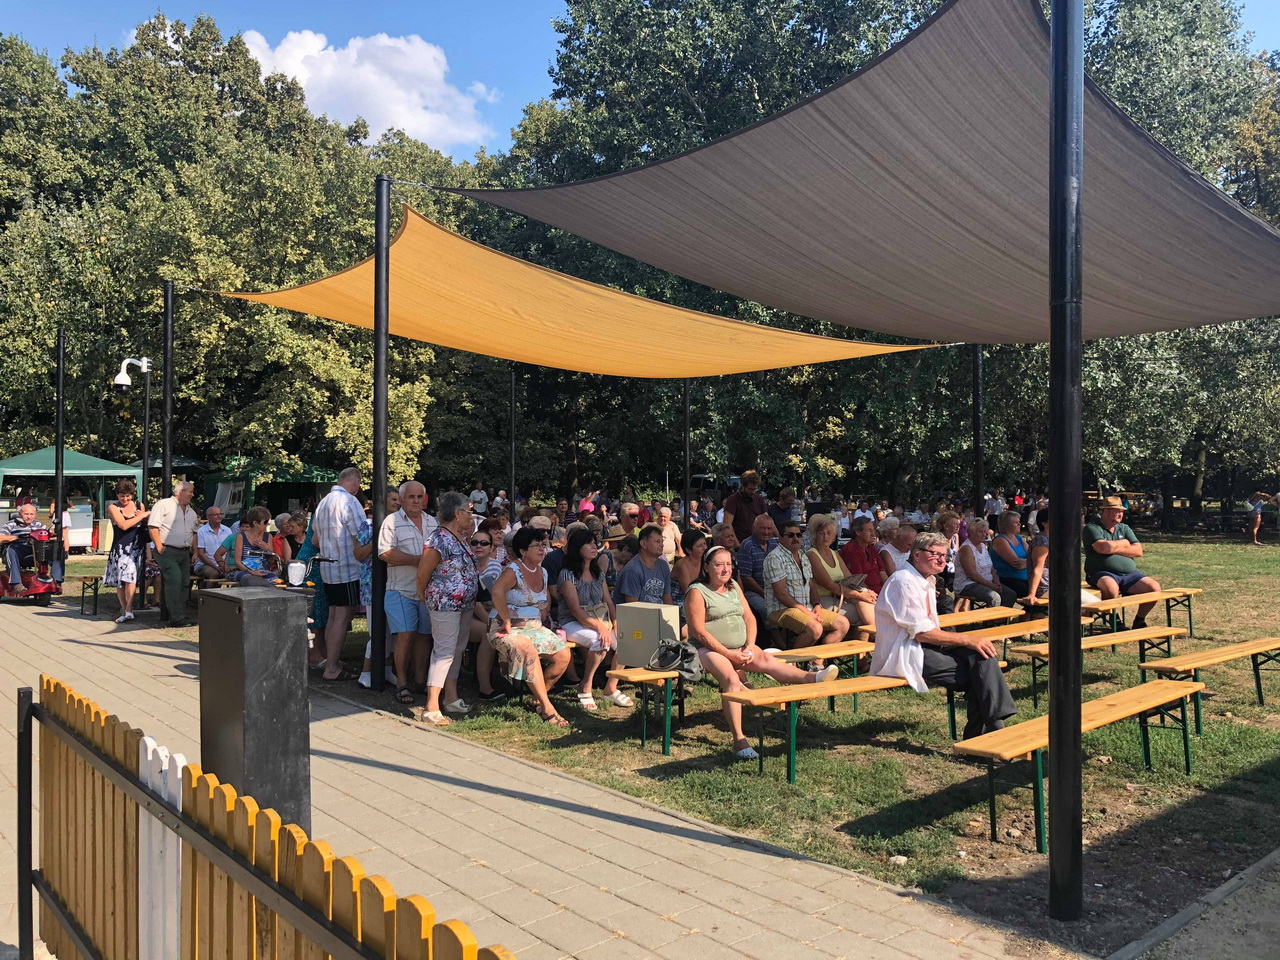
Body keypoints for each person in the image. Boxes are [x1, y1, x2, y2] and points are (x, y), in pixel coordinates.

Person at [689, 546, 836, 759]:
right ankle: (739, 740)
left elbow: (749, 617)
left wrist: (750, 645)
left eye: (728, 564)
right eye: (719, 565)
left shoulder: (733, 587)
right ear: (706, 567)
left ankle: (813, 677)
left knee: (767, 659)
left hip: (740, 647)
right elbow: (698, 632)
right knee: (731, 679)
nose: (725, 569)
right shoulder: (697, 591)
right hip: (708, 649)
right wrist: (729, 654)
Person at [872, 532, 1017, 739]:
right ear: (916, 554)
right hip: (905, 650)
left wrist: (971, 642)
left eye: (945, 555)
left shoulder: (926, 579)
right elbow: (922, 634)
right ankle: (992, 734)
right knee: (980, 678)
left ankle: (991, 732)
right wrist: (967, 639)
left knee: (983, 656)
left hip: (926, 643)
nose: (942, 560)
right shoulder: (903, 581)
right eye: (936, 554)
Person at [489, 525, 572, 725]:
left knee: (563, 655)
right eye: (536, 546)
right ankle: (547, 708)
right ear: (523, 551)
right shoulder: (514, 570)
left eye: (543, 545)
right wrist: (506, 620)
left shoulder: (543, 571)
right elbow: (497, 592)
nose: (542, 549)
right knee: (528, 650)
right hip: (506, 627)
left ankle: (536, 698)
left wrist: (544, 609)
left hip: (534, 627)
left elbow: (545, 599)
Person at [415, 491, 478, 724]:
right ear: (457, 513)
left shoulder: (459, 536)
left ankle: (451, 697)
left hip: (463, 603)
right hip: (445, 603)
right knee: (444, 652)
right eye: (469, 512)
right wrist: (422, 594)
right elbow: (423, 573)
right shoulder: (439, 538)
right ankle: (431, 706)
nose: (471, 516)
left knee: (457, 650)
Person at [558, 527, 632, 710]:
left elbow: (608, 602)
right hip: (571, 622)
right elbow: (575, 610)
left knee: (626, 642)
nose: (594, 546)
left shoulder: (598, 572)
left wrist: (616, 624)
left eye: (594, 543)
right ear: (577, 548)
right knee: (600, 641)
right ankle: (586, 685)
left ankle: (611, 687)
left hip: (600, 619)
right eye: (588, 543)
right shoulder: (567, 574)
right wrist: (600, 628)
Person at [379, 481, 437, 704]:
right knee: (405, 636)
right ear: (402, 500)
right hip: (400, 589)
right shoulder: (391, 521)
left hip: (427, 591)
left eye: (419, 497)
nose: (415, 501)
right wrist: (418, 561)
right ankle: (401, 683)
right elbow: (384, 553)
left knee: (424, 636)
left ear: (425, 499)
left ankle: (420, 681)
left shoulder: (432, 522)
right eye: (411, 497)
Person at [312, 467, 366, 682]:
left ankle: (331, 660)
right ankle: (332, 667)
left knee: (334, 615)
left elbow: (315, 539)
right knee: (342, 617)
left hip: (328, 567)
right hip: (347, 567)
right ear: (355, 482)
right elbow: (361, 536)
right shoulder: (350, 502)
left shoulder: (323, 502)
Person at [764, 519, 850, 654]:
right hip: (781, 609)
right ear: (780, 538)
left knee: (842, 624)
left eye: (798, 535)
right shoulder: (774, 558)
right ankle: (791, 662)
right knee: (815, 629)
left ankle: (818, 662)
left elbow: (811, 585)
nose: (795, 538)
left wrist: (817, 605)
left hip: (806, 607)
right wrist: (806, 612)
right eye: (790, 535)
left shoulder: (802, 556)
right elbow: (781, 594)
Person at [1084, 496, 1162, 628]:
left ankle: (1139, 620)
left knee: (1154, 588)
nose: (1121, 514)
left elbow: (1138, 551)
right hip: (1101, 573)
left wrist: (1113, 548)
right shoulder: (1092, 528)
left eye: (1122, 511)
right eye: (1117, 511)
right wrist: (1125, 542)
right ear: (1106, 511)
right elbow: (1103, 548)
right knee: (1111, 587)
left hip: (1129, 574)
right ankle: (1114, 618)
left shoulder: (1124, 528)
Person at [807, 513, 876, 630]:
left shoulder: (835, 554)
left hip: (841, 596)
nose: (825, 537)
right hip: (823, 598)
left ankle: (872, 637)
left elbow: (849, 579)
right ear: (815, 535)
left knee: (868, 605)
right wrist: (860, 595)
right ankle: (875, 636)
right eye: (821, 533)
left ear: (834, 536)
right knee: (864, 613)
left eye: (829, 533)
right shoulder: (812, 555)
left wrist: (866, 592)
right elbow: (829, 585)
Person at [148, 480, 201, 628]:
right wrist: (159, 546)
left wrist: (195, 552)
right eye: (190, 491)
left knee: (185, 583)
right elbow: (153, 526)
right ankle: (176, 617)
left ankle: (180, 615)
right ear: (180, 491)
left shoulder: (191, 512)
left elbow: (194, 533)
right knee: (175, 580)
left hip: (185, 552)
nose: (192, 494)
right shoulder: (163, 505)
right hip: (167, 550)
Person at [466, 527, 505, 702]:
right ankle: (485, 688)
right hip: (465, 613)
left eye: (483, 543)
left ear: (491, 548)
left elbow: (496, 597)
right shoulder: (465, 565)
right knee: (489, 633)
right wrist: (490, 622)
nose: (478, 546)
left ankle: (514, 681)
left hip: (490, 610)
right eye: (474, 543)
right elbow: (474, 601)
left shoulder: (495, 566)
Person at [954, 518, 1015, 607]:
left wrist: (997, 582)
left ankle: (1002, 616)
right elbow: (972, 574)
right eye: (981, 532)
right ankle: (991, 616)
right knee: (994, 597)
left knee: (1010, 595)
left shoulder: (983, 546)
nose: (984, 534)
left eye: (985, 532)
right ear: (971, 533)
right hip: (968, 584)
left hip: (987, 581)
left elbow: (991, 568)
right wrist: (991, 586)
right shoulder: (966, 548)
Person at [616, 524, 674, 604]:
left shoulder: (663, 565)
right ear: (643, 544)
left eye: (662, 541)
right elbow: (631, 606)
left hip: (658, 610)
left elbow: (667, 596)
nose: (662, 545)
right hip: (639, 611)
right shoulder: (632, 570)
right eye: (657, 541)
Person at [737, 513, 778, 627]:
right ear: (754, 528)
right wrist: (764, 593)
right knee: (767, 609)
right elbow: (746, 577)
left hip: (775, 589)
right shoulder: (747, 545)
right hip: (754, 591)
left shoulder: (775, 544)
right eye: (762, 528)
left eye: (769, 528)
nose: (766, 532)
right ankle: (776, 638)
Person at [2, 502, 48, 596]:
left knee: (57, 549)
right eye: (26, 514)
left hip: (35, 549)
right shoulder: (11, 524)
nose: (29, 517)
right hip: (17, 548)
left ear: (35, 515)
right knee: (11, 550)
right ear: (20, 514)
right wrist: (17, 537)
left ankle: (57, 580)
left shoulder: (39, 525)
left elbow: (49, 535)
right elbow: (1, 537)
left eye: (32, 514)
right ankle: (16, 584)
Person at [230, 506, 280, 584]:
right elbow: (237, 561)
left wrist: (267, 549)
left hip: (263, 570)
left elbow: (272, 559)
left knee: (277, 582)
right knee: (250, 580)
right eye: (265, 522)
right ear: (255, 523)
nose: (267, 525)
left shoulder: (268, 536)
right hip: (244, 570)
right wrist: (251, 571)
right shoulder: (241, 536)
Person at [990, 511, 1030, 601]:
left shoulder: (1019, 538)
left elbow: (1033, 556)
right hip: (1008, 579)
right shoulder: (1000, 540)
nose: (1019, 524)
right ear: (1006, 524)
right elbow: (1017, 564)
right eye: (1016, 522)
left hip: (1026, 578)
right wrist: (1030, 562)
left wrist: (1025, 562)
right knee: (1030, 597)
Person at [722, 470, 767, 543]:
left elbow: (767, 520)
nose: (753, 492)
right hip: (740, 542)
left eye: (755, 489)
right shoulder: (733, 500)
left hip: (756, 543)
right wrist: (737, 545)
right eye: (750, 489)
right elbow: (727, 525)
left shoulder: (759, 499)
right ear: (743, 486)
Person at [669, 528, 707, 608]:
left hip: (698, 598)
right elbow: (688, 592)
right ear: (689, 550)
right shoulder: (682, 565)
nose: (704, 548)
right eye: (699, 546)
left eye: (704, 543)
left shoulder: (704, 561)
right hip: (680, 601)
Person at [1022, 511, 1051, 602]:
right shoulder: (1041, 541)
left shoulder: (1050, 539)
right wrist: (1032, 594)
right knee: (1084, 602)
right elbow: (1038, 568)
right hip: (1045, 588)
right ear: (1044, 524)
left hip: (1057, 586)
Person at [193, 506, 226, 580]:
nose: (219, 516)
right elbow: (201, 554)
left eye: (221, 514)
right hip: (204, 564)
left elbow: (229, 551)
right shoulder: (201, 531)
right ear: (208, 517)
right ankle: (207, 588)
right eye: (216, 514)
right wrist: (216, 567)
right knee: (214, 573)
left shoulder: (227, 530)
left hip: (223, 564)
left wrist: (223, 566)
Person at [609, 535, 640, 605]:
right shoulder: (606, 557)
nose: (630, 560)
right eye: (631, 556)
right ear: (625, 549)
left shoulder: (627, 564)